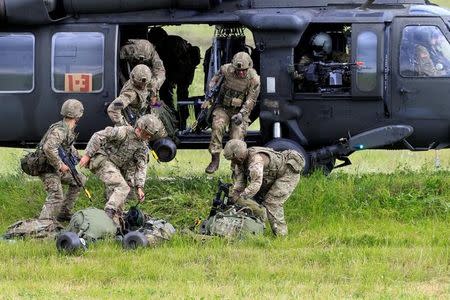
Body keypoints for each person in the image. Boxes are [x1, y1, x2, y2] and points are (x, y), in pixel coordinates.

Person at [79, 114, 165, 225]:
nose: (148, 137)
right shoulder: (123, 132)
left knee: (118, 200)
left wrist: (139, 187)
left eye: (150, 136)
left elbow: (141, 166)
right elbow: (98, 136)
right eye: (147, 134)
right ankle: (107, 214)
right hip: (104, 161)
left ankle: (113, 225)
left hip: (116, 168)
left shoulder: (142, 146)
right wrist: (88, 155)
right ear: (139, 129)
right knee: (122, 187)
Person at [223, 139, 304, 236]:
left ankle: (281, 235)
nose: (232, 161)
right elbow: (240, 184)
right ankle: (256, 232)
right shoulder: (239, 164)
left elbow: (256, 184)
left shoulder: (256, 160)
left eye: (232, 158)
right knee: (255, 202)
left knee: (272, 202)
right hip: (271, 177)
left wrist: (241, 197)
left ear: (238, 156)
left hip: (287, 173)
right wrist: (234, 195)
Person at [202, 51, 260, 174]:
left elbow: (251, 100)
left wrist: (241, 114)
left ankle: (236, 169)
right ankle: (215, 158)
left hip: (240, 112)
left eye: (244, 70)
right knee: (217, 125)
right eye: (238, 70)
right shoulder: (225, 70)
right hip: (223, 108)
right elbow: (213, 82)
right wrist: (209, 97)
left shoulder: (253, 79)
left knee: (237, 137)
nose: (241, 72)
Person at [38, 99, 86, 222]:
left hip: (54, 167)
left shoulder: (67, 128)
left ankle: (64, 213)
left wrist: (80, 158)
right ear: (78, 116)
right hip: (47, 168)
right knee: (56, 196)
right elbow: (48, 148)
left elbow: (68, 147)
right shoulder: (60, 130)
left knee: (79, 179)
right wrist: (60, 165)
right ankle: (43, 225)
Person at [148, 27, 201, 130]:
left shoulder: (167, 45)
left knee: (168, 97)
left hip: (180, 72)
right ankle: (178, 121)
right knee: (179, 98)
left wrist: (168, 80)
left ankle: (175, 121)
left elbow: (170, 64)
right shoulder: (173, 41)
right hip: (181, 72)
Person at [107, 64, 166, 135]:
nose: (143, 87)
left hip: (152, 108)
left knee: (165, 119)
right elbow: (113, 108)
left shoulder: (152, 82)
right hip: (138, 119)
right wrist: (124, 126)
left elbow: (161, 73)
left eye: (145, 84)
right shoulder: (130, 94)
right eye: (141, 85)